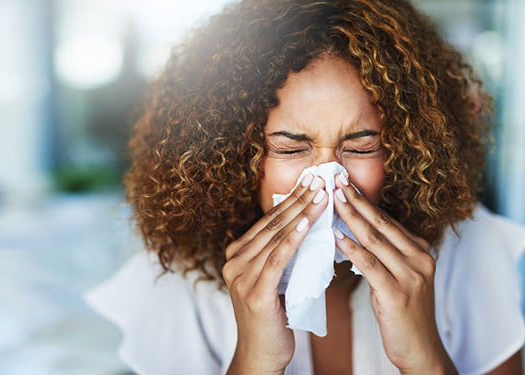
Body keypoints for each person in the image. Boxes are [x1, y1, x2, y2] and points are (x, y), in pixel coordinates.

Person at [85, 0, 525, 374]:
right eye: (291, 149)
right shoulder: (177, 283)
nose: (328, 182)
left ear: (404, 153)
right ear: (233, 157)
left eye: (362, 145)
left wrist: (424, 358)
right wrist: (254, 361)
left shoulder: (470, 250)